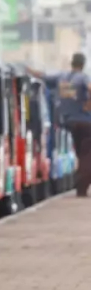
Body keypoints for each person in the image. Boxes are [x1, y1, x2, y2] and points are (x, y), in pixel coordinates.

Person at [57, 52, 91, 198]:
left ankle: (80, 184)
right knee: (87, 155)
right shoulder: (82, 77)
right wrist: (88, 105)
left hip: (71, 122)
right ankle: (81, 187)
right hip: (86, 122)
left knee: (81, 154)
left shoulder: (64, 78)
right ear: (83, 64)